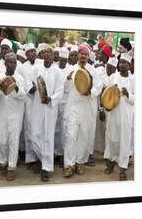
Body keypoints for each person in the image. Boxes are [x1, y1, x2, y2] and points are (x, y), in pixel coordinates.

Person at [62, 43, 102, 178]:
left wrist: (90, 92)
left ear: (88, 56)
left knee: (83, 137)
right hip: (73, 108)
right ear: (78, 55)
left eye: (85, 54)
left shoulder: (93, 71)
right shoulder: (71, 69)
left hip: (86, 109)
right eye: (81, 54)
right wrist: (67, 80)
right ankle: (68, 165)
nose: (83, 56)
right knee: (71, 136)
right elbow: (65, 89)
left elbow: (98, 86)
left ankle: (79, 163)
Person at [30, 45, 64, 182]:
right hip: (37, 107)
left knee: (48, 138)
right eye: (46, 52)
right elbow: (30, 86)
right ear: (42, 55)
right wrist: (31, 89)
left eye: (51, 53)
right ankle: (41, 158)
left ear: (53, 55)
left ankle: (46, 168)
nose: (48, 55)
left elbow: (60, 90)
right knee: (34, 135)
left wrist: (52, 98)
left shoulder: (57, 72)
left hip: (50, 108)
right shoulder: (36, 69)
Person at [0, 52, 25, 181]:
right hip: (2, 114)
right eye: (10, 62)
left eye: (15, 62)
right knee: (2, 139)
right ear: (5, 63)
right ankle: (3, 161)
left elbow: (22, 95)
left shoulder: (20, 78)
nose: (13, 64)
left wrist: (14, 86)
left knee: (13, 140)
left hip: (16, 115)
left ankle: (11, 167)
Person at [104, 53, 134, 181]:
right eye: (120, 62)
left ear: (130, 65)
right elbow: (106, 93)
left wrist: (129, 95)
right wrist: (106, 106)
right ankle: (110, 161)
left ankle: (122, 168)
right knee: (112, 138)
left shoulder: (134, 80)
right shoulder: (112, 77)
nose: (121, 65)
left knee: (124, 140)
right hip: (113, 112)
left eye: (124, 63)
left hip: (126, 114)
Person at [17, 43, 43, 168]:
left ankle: (40, 158)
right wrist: (30, 88)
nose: (33, 53)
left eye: (34, 51)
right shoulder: (22, 67)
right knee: (28, 129)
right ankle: (31, 158)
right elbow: (21, 84)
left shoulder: (41, 64)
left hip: (40, 101)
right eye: (30, 52)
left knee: (39, 130)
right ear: (26, 54)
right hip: (28, 101)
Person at [54, 48, 71, 167]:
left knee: (63, 130)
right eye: (61, 60)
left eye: (65, 60)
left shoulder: (70, 70)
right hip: (54, 104)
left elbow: (68, 88)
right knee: (54, 129)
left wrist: (68, 80)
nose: (63, 62)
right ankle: (53, 153)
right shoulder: (54, 69)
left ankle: (61, 154)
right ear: (59, 59)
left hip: (66, 104)